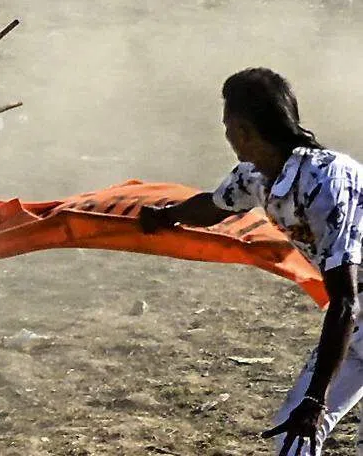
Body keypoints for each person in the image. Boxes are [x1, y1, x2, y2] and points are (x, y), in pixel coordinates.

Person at [140, 68, 363, 456]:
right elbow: (214, 206)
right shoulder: (257, 176)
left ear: (241, 130)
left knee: (308, 422)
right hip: (357, 329)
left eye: (226, 125)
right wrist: (165, 216)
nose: (226, 135)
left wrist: (315, 399)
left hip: (351, 314)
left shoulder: (327, 181)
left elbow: (344, 298)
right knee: (293, 438)